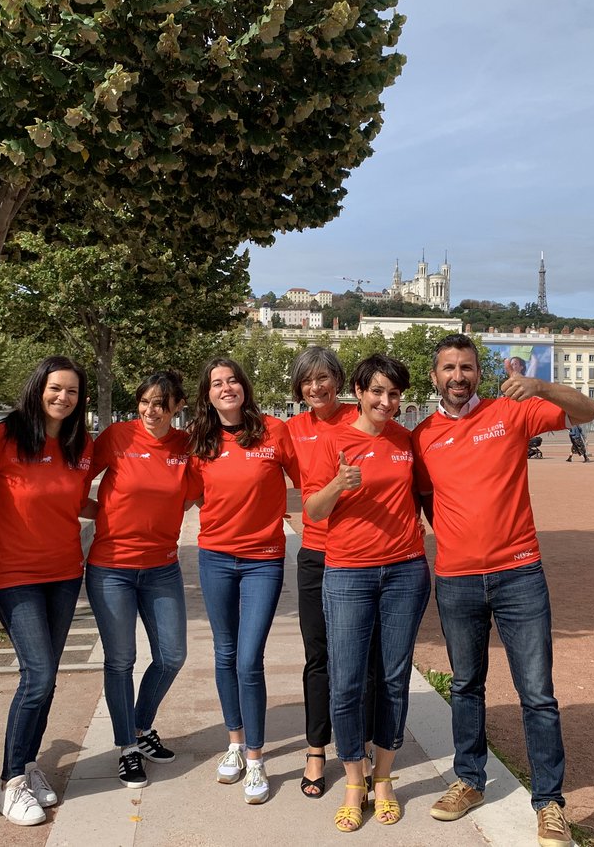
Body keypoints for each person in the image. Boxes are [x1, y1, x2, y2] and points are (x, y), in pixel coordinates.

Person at [413, 334, 594, 847]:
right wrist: (458, 537)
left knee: (537, 694)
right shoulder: (422, 435)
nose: (458, 376)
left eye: (466, 367)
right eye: (448, 368)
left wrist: (540, 386)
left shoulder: (511, 412)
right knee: (466, 686)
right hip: (456, 578)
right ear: (435, 376)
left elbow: (588, 411)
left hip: (519, 575)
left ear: (479, 372)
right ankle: (469, 780)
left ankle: (549, 803)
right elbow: (424, 498)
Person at [303, 355, 429, 832]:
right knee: (347, 681)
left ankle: (384, 777)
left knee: (394, 678)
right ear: (358, 391)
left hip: (404, 571)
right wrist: (339, 483)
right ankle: (354, 782)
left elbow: (419, 495)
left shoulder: (404, 439)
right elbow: (314, 510)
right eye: (377, 391)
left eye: (394, 394)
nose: (386, 401)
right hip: (348, 574)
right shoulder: (333, 440)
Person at [0, 356, 92, 825]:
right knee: (39, 675)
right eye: (55, 388)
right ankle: (9, 784)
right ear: (38, 389)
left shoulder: (79, 443)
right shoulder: (5, 437)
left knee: (46, 678)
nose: (63, 397)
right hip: (14, 574)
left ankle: (26, 765)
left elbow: (80, 499)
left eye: (72, 391)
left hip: (64, 573)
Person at [187, 358, 300, 805]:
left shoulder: (274, 431)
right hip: (215, 558)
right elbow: (193, 494)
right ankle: (234, 742)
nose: (226, 387)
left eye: (232, 379)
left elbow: (306, 480)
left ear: (244, 387)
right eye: (216, 383)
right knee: (225, 652)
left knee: (249, 658)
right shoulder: (201, 439)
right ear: (208, 394)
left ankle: (255, 757)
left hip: (263, 561)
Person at [84, 371, 192, 790]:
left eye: (161, 403)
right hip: (111, 568)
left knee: (172, 656)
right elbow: (75, 480)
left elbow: (203, 492)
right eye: (145, 401)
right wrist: (102, 514)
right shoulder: (117, 436)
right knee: (121, 660)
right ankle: (127, 747)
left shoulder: (185, 446)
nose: (151, 410)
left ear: (178, 406)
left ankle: (140, 726)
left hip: (162, 567)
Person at [285, 347, 377, 799]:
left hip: (359, 555)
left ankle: (362, 745)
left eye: (323, 378)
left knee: (365, 658)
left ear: (339, 381)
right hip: (317, 554)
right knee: (318, 655)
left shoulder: (361, 419)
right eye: (307, 380)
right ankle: (316, 750)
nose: (316, 387)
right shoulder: (292, 429)